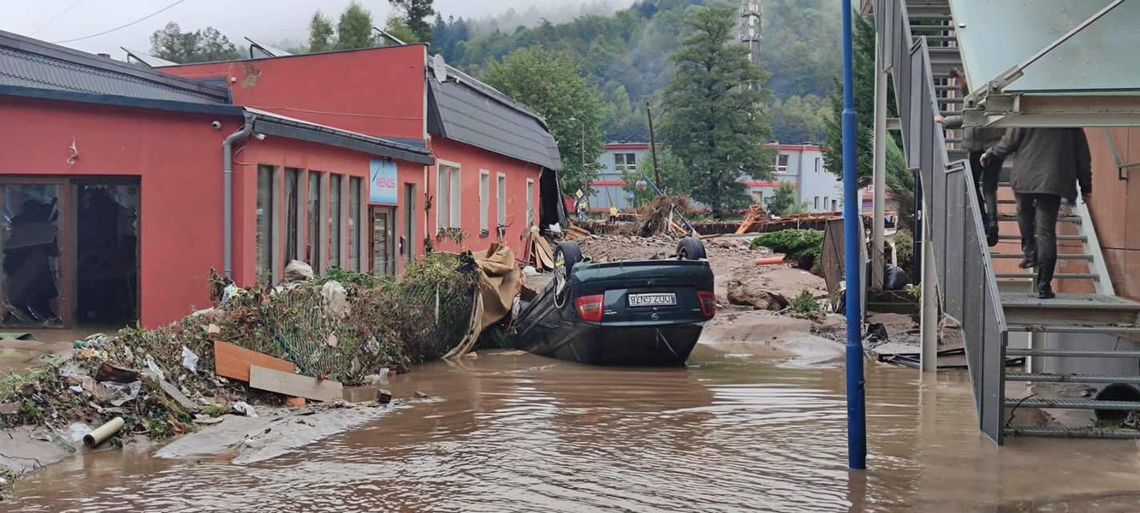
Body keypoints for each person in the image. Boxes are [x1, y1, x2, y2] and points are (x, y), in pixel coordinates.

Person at [982, 128, 1091, 299]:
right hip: (1054, 180)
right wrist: (1086, 186)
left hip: (1026, 176)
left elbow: (1009, 142)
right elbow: (1083, 156)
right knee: (1046, 232)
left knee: (1022, 211)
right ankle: (1044, 287)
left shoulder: (1029, 112)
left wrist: (990, 154)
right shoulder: (1071, 121)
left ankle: (1029, 252)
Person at [936, 69, 1006, 246]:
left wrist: (945, 121)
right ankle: (991, 222)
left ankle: (985, 219)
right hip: (992, 146)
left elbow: (968, 117)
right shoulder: (986, 94)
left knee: (975, 183)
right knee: (988, 187)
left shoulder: (980, 96)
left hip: (981, 147)